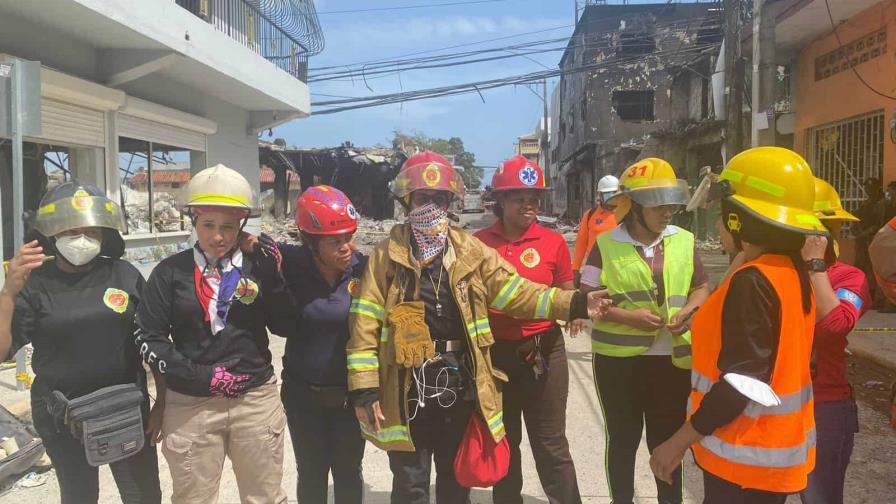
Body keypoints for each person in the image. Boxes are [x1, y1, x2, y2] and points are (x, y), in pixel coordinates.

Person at [345, 151, 610, 504]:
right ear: (406, 201)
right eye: (424, 198)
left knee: (456, 483)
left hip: (460, 385)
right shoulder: (386, 255)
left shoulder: (470, 250)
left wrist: (575, 303)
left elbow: (516, 292)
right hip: (408, 385)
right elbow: (365, 320)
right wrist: (364, 389)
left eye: (440, 199)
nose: (432, 207)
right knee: (410, 483)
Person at [649, 146, 822, 503]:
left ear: (741, 218)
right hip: (771, 456)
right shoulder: (787, 269)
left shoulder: (754, 281)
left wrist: (677, 443)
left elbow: (741, 383)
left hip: (745, 457)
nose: (717, 223)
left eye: (724, 213)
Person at [135, 164, 293, 504]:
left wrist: (275, 276)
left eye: (228, 227)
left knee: (264, 497)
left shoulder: (255, 267)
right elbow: (150, 337)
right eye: (208, 225)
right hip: (192, 403)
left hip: (254, 399)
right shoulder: (170, 273)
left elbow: (284, 326)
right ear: (194, 221)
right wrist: (202, 376)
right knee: (193, 498)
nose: (218, 236)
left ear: (242, 225)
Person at [0, 182, 161, 503]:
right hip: (62, 415)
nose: (82, 238)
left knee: (143, 495)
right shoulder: (36, 283)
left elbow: (156, 342)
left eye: (92, 230)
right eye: (71, 230)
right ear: (52, 234)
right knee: (78, 496)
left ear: (105, 233)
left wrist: (164, 403)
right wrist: (9, 292)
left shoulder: (124, 275)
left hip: (125, 409)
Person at [579, 158, 710, 504]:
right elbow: (585, 298)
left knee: (666, 440)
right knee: (622, 439)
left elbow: (702, 288)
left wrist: (689, 311)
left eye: (671, 203)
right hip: (617, 363)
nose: (668, 211)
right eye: (658, 205)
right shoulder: (605, 245)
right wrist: (627, 317)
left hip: (671, 361)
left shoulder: (683, 240)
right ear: (634, 207)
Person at [473, 156, 581, 504]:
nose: (529, 206)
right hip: (495, 356)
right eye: (519, 198)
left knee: (551, 444)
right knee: (504, 441)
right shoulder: (478, 243)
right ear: (500, 201)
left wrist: (576, 311)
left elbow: (565, 290)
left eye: (534, 199)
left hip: (544, 352)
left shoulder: (552, 243)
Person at [259, 186, 368, 504]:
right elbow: (250, 244)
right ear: (311, 242)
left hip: (350, 398)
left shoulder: (366, 270)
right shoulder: (292, 265)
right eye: (336, 241)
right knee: (311, 472)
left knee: (348, 471)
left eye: (350, 236)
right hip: (303, 396)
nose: (347, 247)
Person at [800, 178, 870, 504]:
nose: (837, 232)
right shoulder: (776, 272)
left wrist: (815, 266)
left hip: (824, 406)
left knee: (819, 497)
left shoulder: (848, 277)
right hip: (776, 402)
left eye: (835, 227)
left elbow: (835, 325)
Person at [572, 174, 619, 286]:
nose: (611, 197)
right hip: (594, 267)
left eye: (614, 193)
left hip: (619, 267)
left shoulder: (627, 215)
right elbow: (581, 243)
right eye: (608, 194)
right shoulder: (590, 215)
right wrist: (575, 269)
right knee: (591, 298)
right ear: (600, 195)